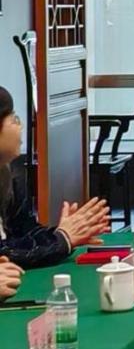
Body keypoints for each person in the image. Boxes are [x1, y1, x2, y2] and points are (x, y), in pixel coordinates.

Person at [0, 86, 111, 268]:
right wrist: (62, 240)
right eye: (14, 119)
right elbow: (5, 253)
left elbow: (23, 231)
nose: (20, 126)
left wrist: (66, 232)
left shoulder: (8, 172)